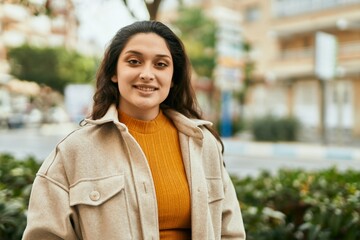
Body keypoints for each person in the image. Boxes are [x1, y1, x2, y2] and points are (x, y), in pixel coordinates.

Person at [22, 20, 246, 240]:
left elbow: (230, 232)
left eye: (160, 64)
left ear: (173, 77)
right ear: (114, 72)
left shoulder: (202, 143)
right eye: (134, 61)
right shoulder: (74, 151)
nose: (147, 74)